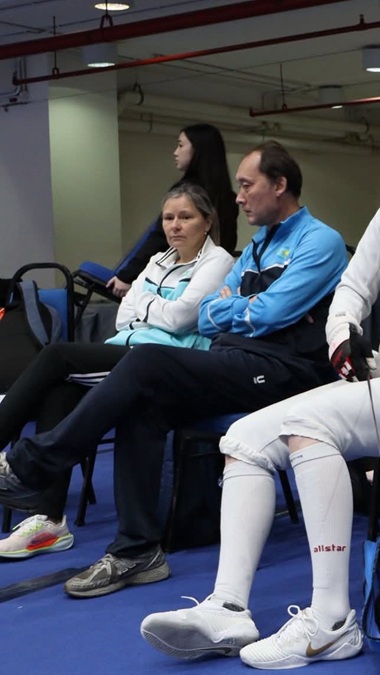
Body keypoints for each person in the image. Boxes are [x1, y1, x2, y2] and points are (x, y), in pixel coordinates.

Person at [139, 93, 380, 669]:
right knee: (244, 438)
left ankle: (330, 619)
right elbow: (353, 287)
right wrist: (342, 335)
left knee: (305, 424)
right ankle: (228, 606)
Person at [0, 140, 347, 597]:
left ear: (280, 185)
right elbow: (207, 314)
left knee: (145, 361)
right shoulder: (257, 246)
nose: (238, 197)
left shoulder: (319, 241)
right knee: (143, 403)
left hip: (284, 373)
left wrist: (239, 307)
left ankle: (33, 463)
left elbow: (268, 315)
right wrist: (243, 307)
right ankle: (136, 551)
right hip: (232, 359)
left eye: (247, 186)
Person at [0, 184, 234, 559]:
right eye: (169, 218)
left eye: (186, 217)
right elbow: (125, 313)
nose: (175, 226)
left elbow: (183, 319)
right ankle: (49, 521)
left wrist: (145, 305)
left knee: (58, 357)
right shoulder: (158, 259)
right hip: (123, 350)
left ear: (206, 222)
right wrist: (153, 308)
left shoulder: (219, 261)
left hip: (165, 360)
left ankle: (23, 473)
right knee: (58, 387)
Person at [106, 123, 239, 297]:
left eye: (181, 145)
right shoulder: (228, 196)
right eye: (169, 218)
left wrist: (127, 275)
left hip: (178, 282)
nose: (175, 152)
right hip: (212, 281)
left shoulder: (186, 192)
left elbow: (158, 239)